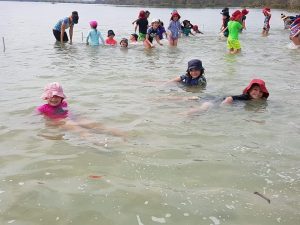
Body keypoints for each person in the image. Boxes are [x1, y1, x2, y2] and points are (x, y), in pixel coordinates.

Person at [36, 82, 126, 139]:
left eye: (57, 96)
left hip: (72, 118)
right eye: (51, 96)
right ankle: (99, 143)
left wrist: (78, 117)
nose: (54, 99)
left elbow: (69, 112)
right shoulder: (42, 108)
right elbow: (36, 118)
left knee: (95, 124)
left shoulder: (64, 103)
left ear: (61, 97)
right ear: (46, 97)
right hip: (62, 122)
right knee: (80, 130)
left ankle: (123, 135)